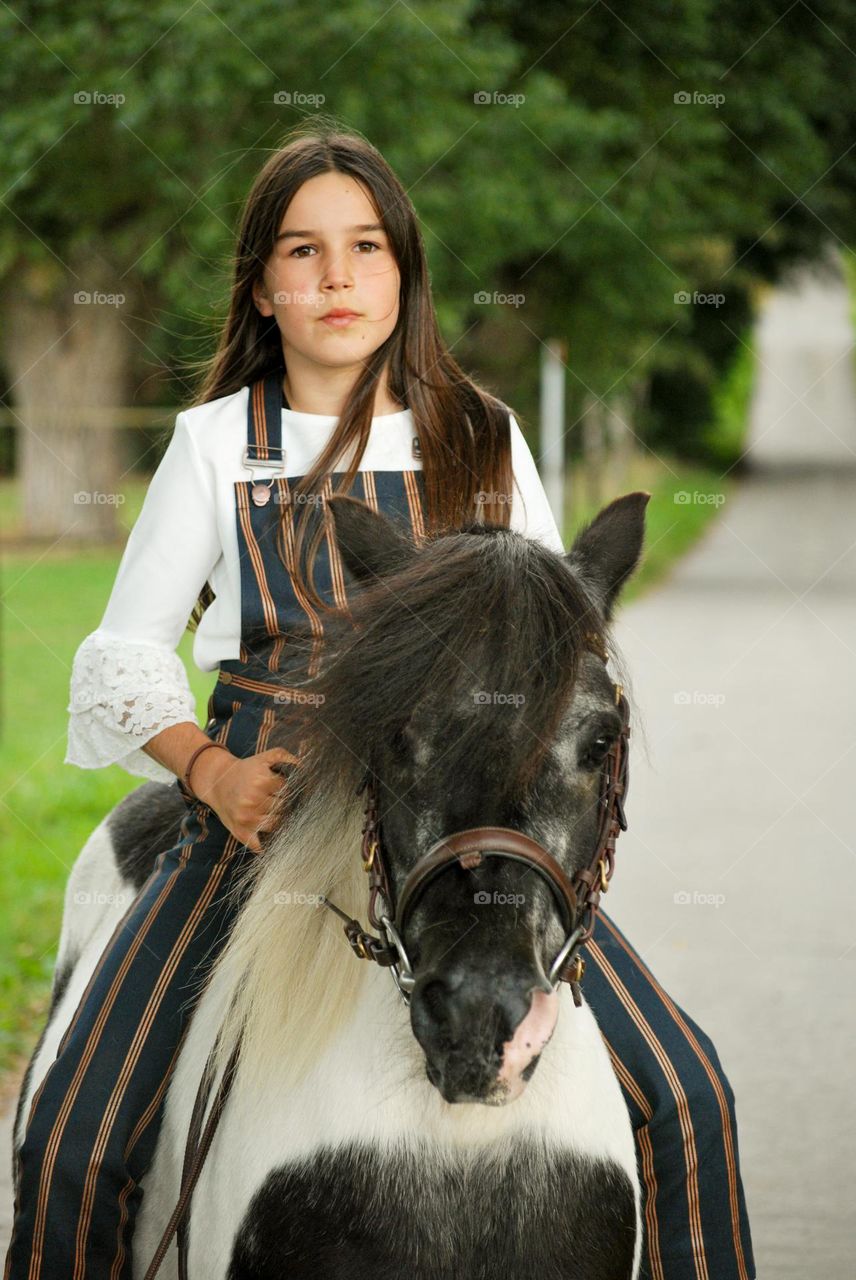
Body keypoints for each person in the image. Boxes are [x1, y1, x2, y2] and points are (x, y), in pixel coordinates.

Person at [4, 124, 755, 1280]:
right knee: (72, 1133)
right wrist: (209, 773)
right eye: (302, 252)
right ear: (262, 285)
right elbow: (124, 651)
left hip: (453, 814)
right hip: (262, 801)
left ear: (404, 272)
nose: (337, 277)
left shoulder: (479, 437)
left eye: (365, 247)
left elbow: (560, 638)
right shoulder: (215, 444)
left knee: (690, 1090)